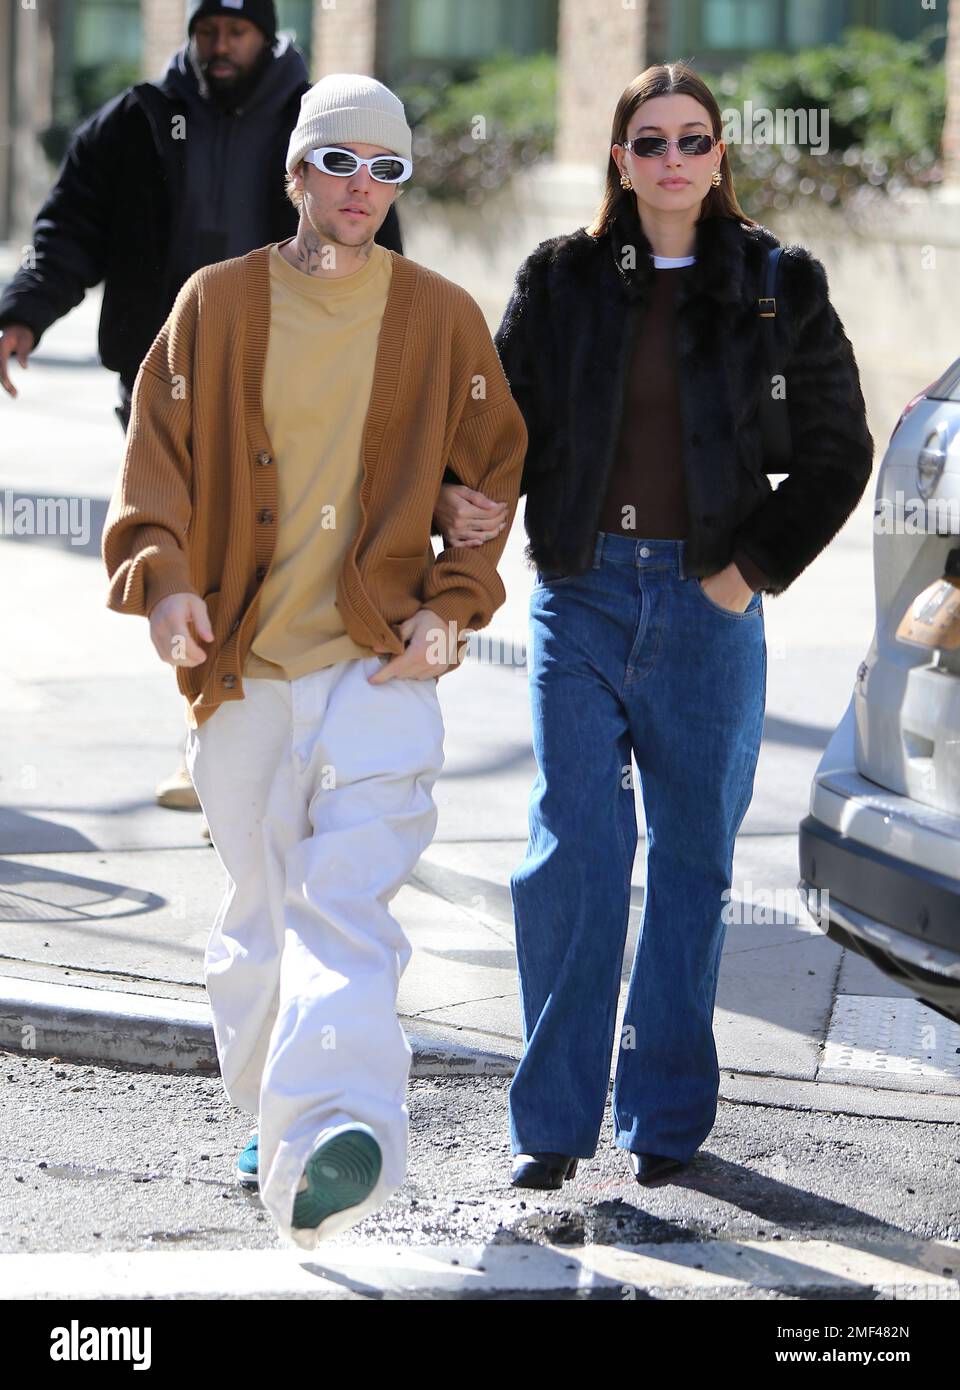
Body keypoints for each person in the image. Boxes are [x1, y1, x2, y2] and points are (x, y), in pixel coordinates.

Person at [101, 74, 526, 1247]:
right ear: (295, 172)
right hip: (243, 663)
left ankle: (339, 1125)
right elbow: (158, 459)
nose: (363, 190)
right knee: (259, 913)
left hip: (376, 660)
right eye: (341, 163)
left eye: (387, 171)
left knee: (346, 896)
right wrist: (166, 578)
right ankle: (271, 1112)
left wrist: (454, 597)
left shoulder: (441, 316)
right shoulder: (216, 304)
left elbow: (492, 464)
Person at [435, 61, 874, 1191]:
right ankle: (552, 1117)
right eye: (649, 141)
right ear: (619, 159)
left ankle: (665, 1115)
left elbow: (837, 451)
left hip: (707, 606)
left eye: (692, 140)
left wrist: (749, 572)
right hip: (578, 595)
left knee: (691, 865)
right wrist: (463, 495)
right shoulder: (563, 277)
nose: (671, 160)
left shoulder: (779, 280)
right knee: (576, 852)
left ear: (720, 157)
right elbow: (494, 423)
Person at [0, 0, 402, 821]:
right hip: (165, 386)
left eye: (237, 32)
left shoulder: (314, 120)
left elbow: (375, 239)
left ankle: (265, 739)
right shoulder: (139, 121)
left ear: (267, 36)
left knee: (275, 562)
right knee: (188, 560)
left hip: (292, 385)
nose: (220, 47)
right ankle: (210, 732)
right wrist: (23, 311)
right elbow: (69, 228)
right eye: (207, 32)